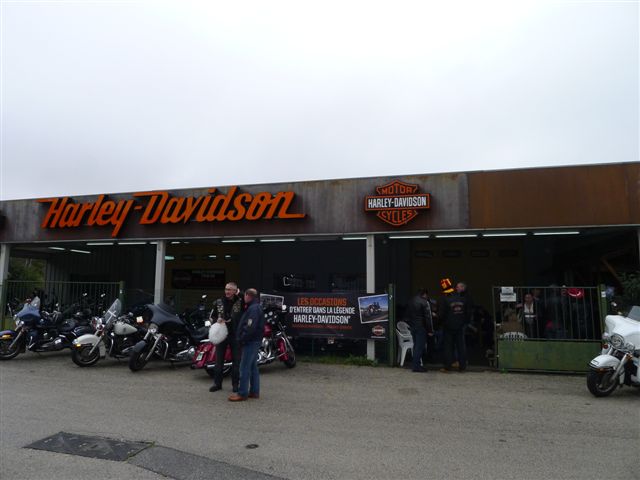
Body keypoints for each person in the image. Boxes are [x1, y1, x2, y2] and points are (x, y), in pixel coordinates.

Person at [229, 288, 265, 402]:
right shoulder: (255, 306)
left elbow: (250, 327)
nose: (243, 297)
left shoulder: (253, 309)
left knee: (244, 367)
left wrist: (242, 338)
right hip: (254, 340)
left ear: (248, 296)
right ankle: (254, 391)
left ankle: (242, 393)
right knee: (253, 366)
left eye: (244, 295)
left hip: (250, 341)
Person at [209, 282, 243, 393]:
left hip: (235, 335)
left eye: (229, 289)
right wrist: (216, 320)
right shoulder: (218, 302)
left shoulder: (240, 301)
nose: (227, 291)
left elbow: (250, 299)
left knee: (236, 362)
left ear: (235, 291)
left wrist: (240, 294)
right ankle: (217, 384)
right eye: (226, 289)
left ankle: (235, 385)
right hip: (221, 334)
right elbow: (212, 317)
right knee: (218, 361)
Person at [439, 281, 473, 372]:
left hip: (448, 327)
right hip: (460, 326)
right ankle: (462, 367)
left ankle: (448, 366)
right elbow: (468, 313)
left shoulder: (445, 300)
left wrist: (442, 323)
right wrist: (464, 322)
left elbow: (441, 314)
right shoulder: (463, 300)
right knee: (461, 347)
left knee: (448, 347)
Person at [405, 288, 435, 372]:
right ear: (425, 294)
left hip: (413, 326)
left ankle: (415, 364)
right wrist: (430, 330)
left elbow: (407, 315)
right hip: (421, 327)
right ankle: (416, 366)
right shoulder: (425, 302)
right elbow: (428, 318)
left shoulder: (411, 301)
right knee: (420, 347)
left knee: (416, 346)